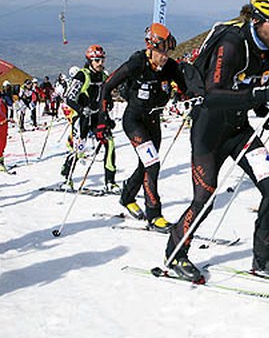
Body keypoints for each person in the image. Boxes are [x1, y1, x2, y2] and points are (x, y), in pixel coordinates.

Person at [164, 0, 269, 282]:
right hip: (209, 132)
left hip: (239, 129)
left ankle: (263, 259)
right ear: (258, 18)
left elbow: (255, 90)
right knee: (204, 201)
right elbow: (212, 96)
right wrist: (263, 97)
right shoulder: (232, 45)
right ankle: (175, 253)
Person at [100, 23, 187, 231]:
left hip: (154, 121)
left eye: (168, 52)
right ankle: (154, 214)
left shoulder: (169, 67)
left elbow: (186, 86)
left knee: (146, 165)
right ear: (151, 47)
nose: (165, 56)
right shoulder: (137, 63)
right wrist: (103, 118)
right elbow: (107, 85)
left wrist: (192, 97)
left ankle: (127, 196)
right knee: (152, 164)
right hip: (134, 120)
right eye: (161, 51)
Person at [61, 45, 118, 192]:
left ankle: (110, 181)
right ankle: (67, 177)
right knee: (79, 148)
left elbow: (105, 94)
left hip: (97, 116)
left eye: (102, 60)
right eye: (97, 60)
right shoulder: (82, 75)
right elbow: (68, 97)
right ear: (90, 60)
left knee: (109, 143)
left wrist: (108, 107)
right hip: (82, 118)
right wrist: (81, 109)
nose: (100, 63)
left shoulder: (103, 76)